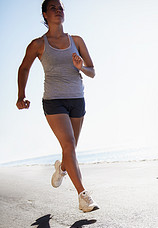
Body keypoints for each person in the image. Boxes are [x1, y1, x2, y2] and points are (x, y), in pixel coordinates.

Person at [16, 0, 98, 212]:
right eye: (53, 8)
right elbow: (24, 68)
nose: (58, 11)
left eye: (61, 8)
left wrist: (81, 67)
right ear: (45, 15)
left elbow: (92, 71)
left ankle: (61, 168)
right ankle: (83, 196)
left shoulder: (77, 40)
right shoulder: (38, 44)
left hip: (77, 99)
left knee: (70, 150)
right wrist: (21, 95)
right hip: (54, 101)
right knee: (69, 145)